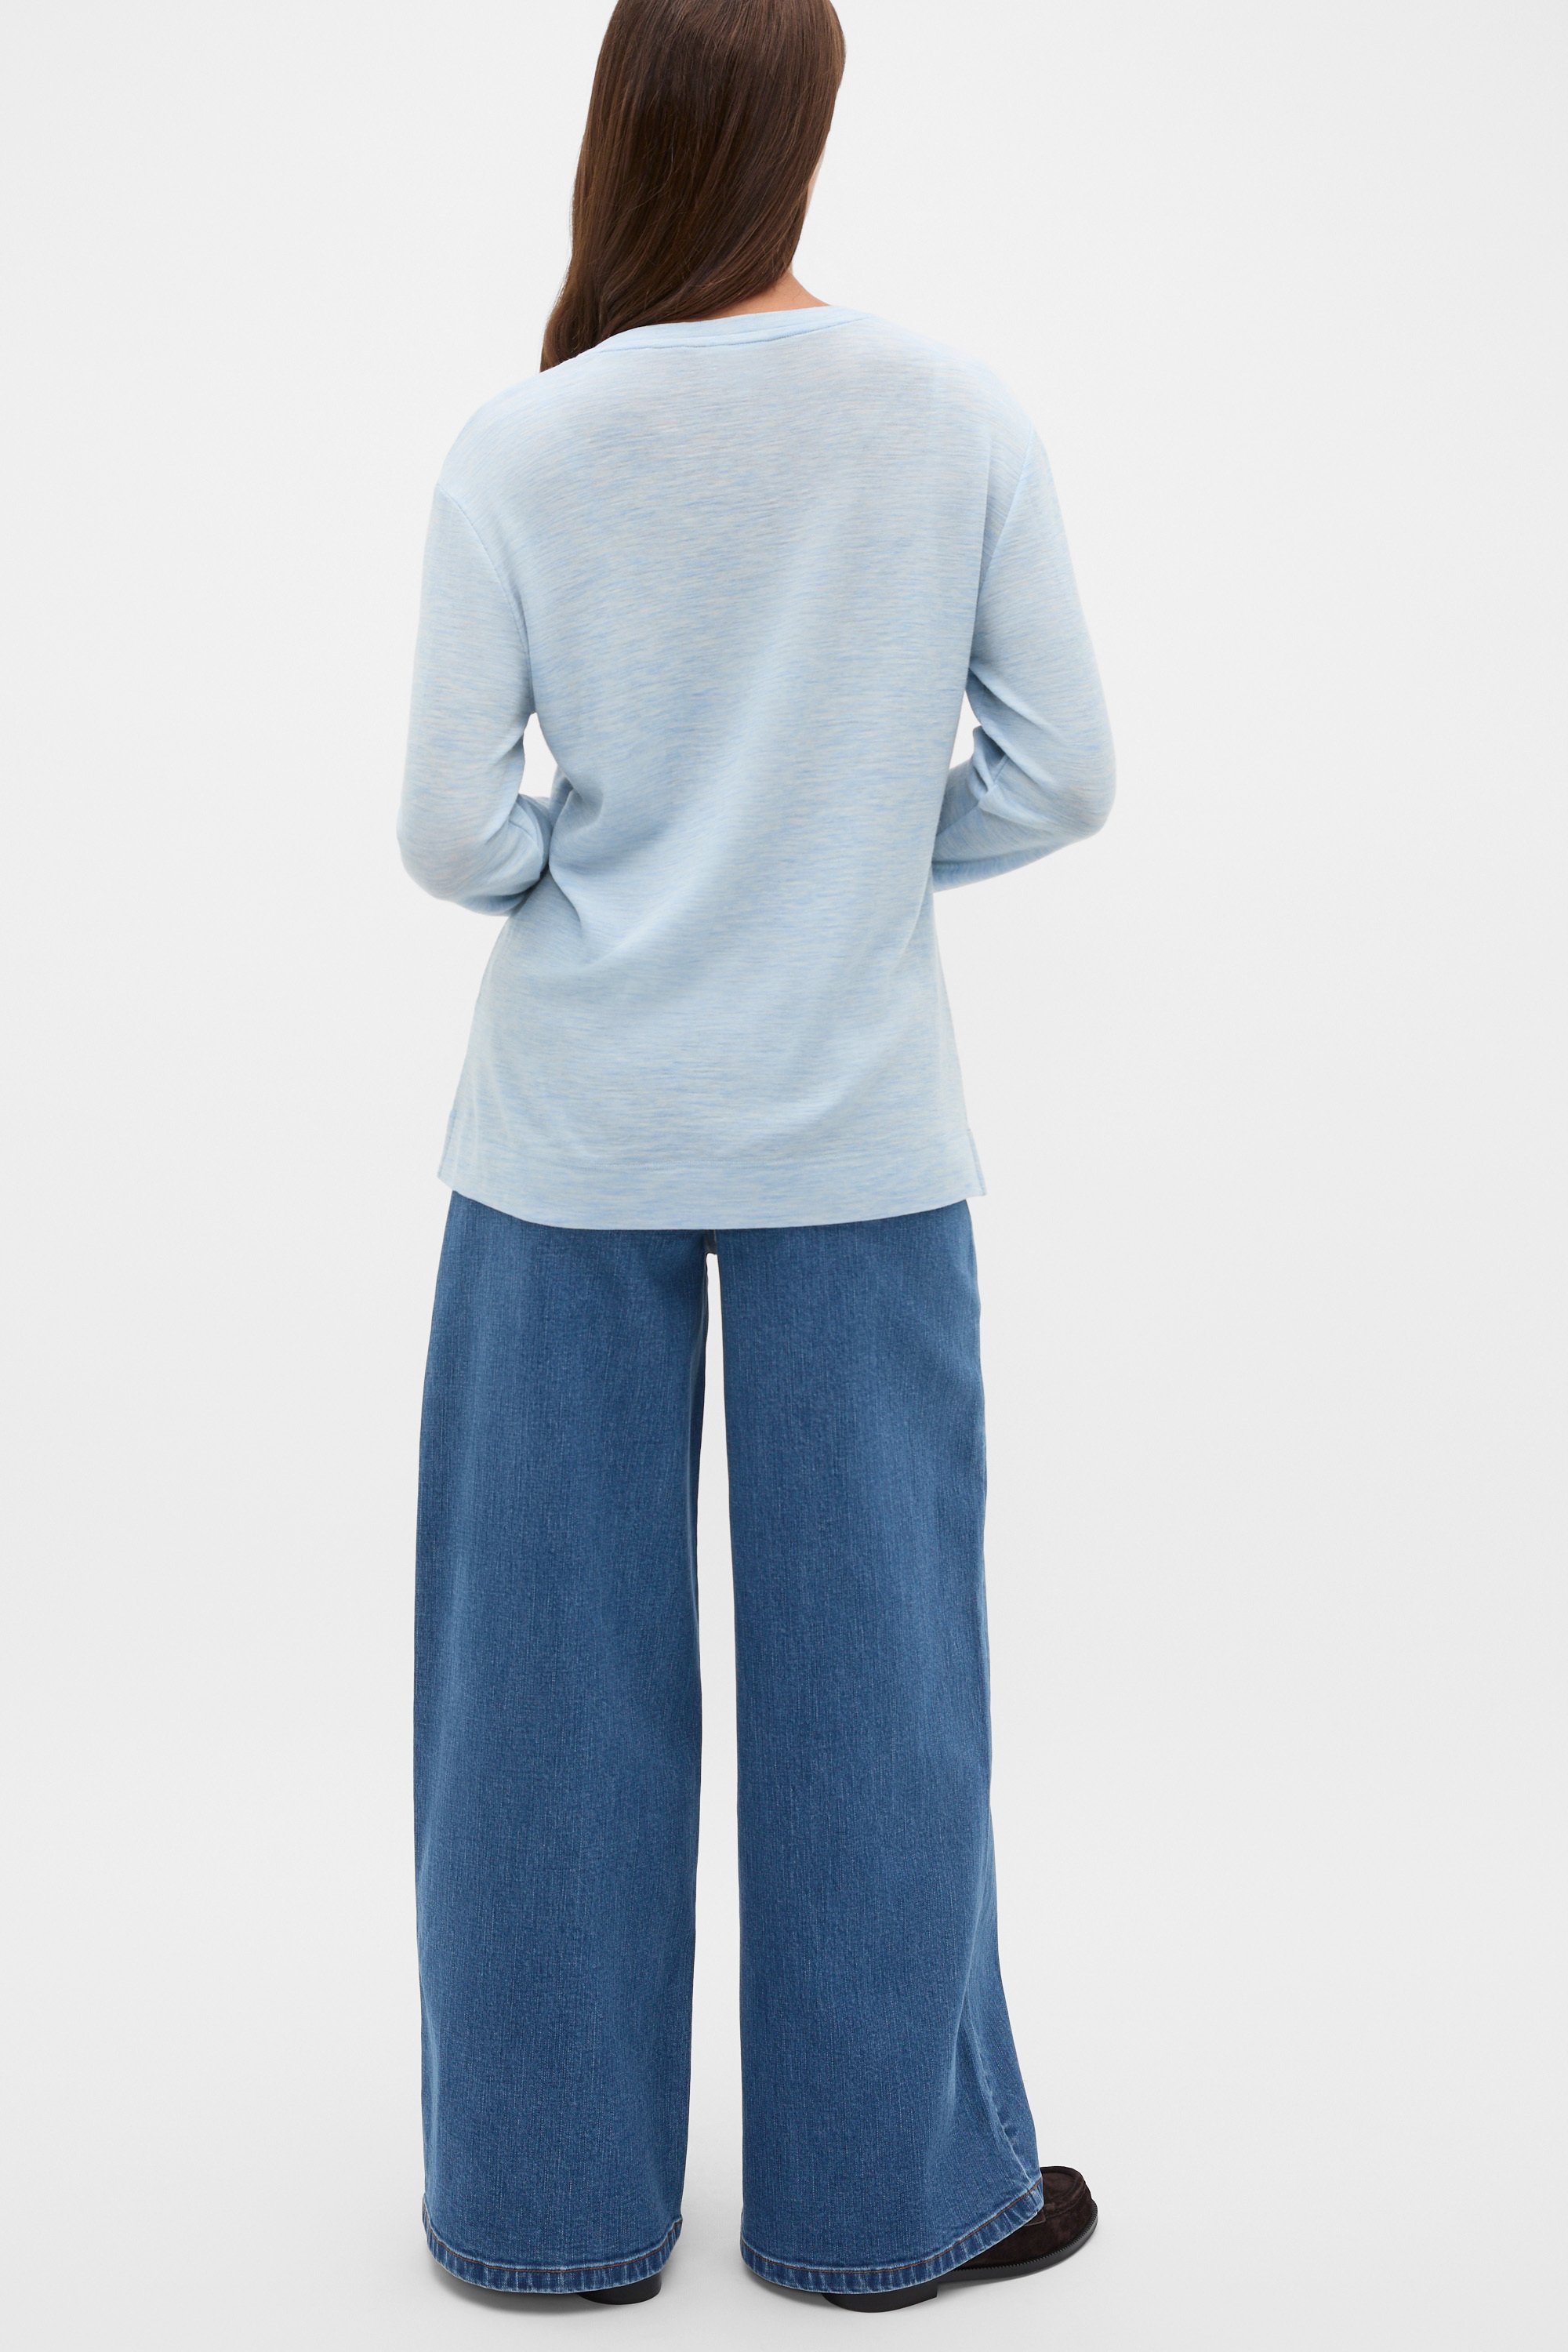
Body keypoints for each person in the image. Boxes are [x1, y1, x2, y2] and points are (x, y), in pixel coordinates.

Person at [397, 0, 1114, 2314]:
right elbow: (1065, 772)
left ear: (625, 128)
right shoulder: (955, 414)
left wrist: (605, 878)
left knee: (536, 1690)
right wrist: (843, 864)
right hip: (857, 1134)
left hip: (568, 1134)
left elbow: (447, 831)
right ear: (809, 130)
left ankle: (544, 2220)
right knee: (881, 1678)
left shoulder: (524, 441)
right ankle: (884, 2208)